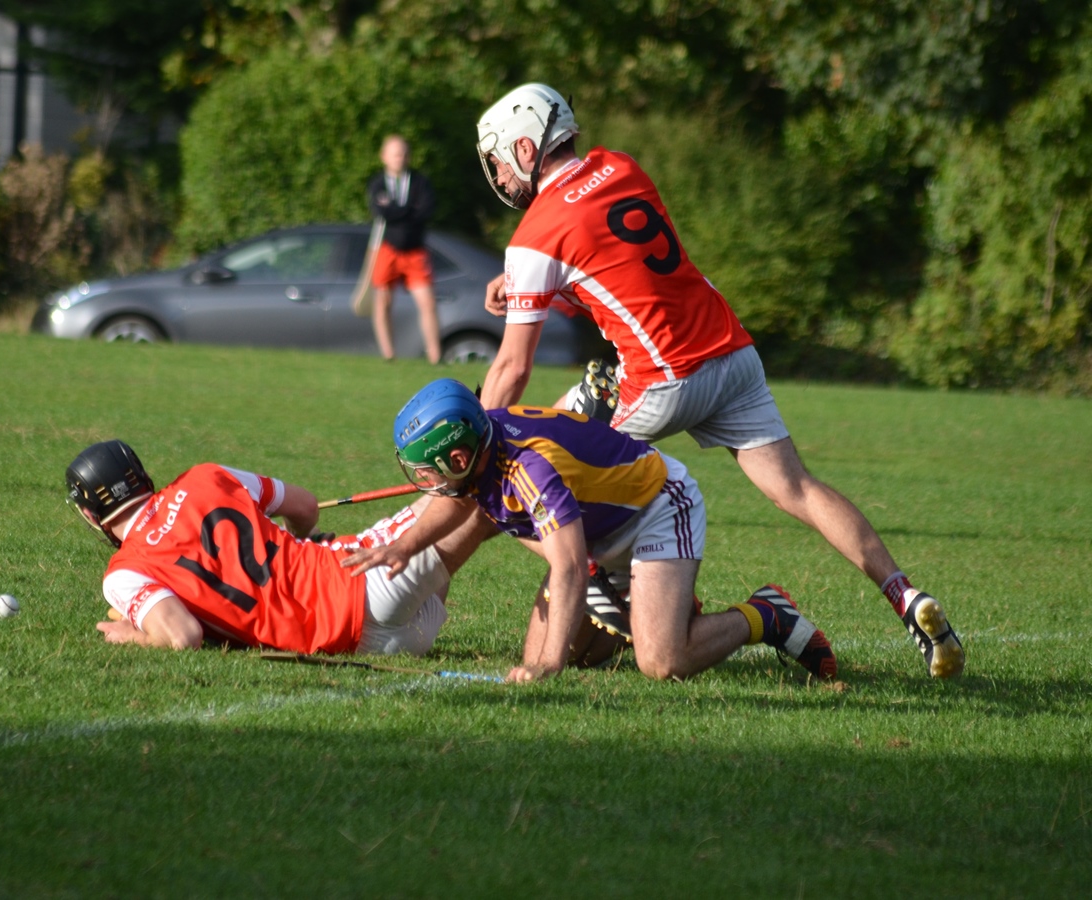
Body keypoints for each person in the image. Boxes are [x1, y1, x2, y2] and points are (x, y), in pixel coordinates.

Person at [473, 83, 964, 679]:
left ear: (526, 148)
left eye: (500, 160)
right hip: (730, 354)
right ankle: (905, 596)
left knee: (536, 477)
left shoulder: (534, 235)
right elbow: (619, 276)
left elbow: (511, 367)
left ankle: (613, 587)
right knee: (797, 488)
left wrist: (480, 443)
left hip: (662, 380)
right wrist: (532, 289)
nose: (500, 176)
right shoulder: (620, 166)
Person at [342, 378, 837, 684]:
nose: (423, 481)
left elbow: (570, 567)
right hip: (596, 529)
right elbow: (464, 501)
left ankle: (766, 614)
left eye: (427, 471)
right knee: (538, 659)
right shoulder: (484, 445)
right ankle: (638, 604)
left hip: (657, 509)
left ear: (457, 456)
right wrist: (403, 546)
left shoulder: (527, 471)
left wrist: (548, 666)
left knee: (662, 661)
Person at [66, 440, 487, 655]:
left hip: (384, 644)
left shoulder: (123, 572)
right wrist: (298, 536)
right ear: (142, 475)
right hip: (362, 584)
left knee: (484, 500)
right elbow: (304, 506)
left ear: (90, 515)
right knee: (478, 487)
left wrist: (134, 633)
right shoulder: (204, 477)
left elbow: (182, 635)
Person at [366, 135, 441, 364]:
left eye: (403, 153)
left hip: (415, 251)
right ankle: (388, 354)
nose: (399, 158)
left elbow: (426, 209)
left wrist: (397, 209)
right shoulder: (378, 183)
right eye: (394, 153)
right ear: (384, 157)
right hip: (388, 249)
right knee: (382, 302)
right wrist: (407, 209)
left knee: (427, 302)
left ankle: (435, 356)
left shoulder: (419, 182)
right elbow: (381, 212)